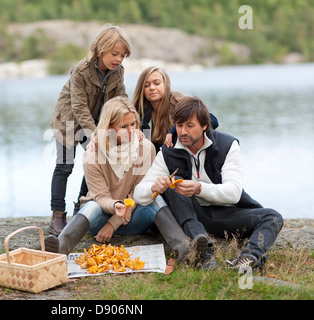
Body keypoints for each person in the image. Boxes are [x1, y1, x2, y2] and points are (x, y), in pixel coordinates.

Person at [133, 95, 283, 271]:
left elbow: (234, 192)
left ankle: (248, 258)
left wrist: (198, 188)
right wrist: (154, 187)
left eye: (190, 126)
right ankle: (204, 255)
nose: (183, 132)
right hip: (191, 216)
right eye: (179, 126)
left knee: (273, 217)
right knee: (175, 187)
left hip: (226, 213)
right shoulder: (168, 152)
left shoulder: (228, 145)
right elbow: (138, 193)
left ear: (204, 125)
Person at [45, 96, 189, 260]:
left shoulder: (146, 148)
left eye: (133, 124)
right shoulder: (92, 154)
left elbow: (138, 193)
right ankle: (60, 247)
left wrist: (112, 224)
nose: (131, 131)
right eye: (123, 126)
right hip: (99, 220)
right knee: (91, 205)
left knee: (153, 199)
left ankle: (185, 248)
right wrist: (114, 208)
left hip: (134, 218)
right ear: (109, 128)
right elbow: (100, 197)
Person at [49, 24, 131, 236]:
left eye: (122, 56)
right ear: (100, 49)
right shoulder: (81, 70)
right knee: (65, 166)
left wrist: (131, 123)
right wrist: (96, 136)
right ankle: (57, 215)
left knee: (96, 161)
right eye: (115, 54)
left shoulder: (117, 73)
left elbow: (121, 100)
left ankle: (81, 208)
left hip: (95, 123)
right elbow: (78, 107)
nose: (118, 59)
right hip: (68, 121)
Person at [132, 66, 219, 153]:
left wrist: (174, 131)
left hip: (185, 155)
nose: (152, 88)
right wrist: (136, 130)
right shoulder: (142, 112)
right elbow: (147, 145)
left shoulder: (178, 102)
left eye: (157, 83)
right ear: (142, 89)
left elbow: (213, 121)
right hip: (159, 160)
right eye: (146, 85)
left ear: (166, 85)